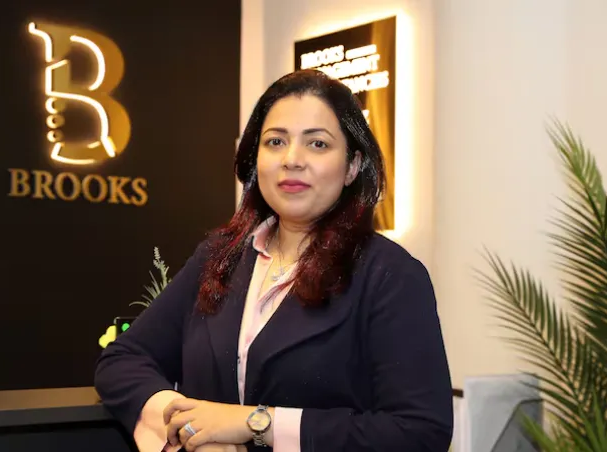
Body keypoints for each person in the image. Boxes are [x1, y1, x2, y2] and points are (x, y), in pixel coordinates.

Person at [94, 69, 453, 452]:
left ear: (352, 166)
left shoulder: (390, 275)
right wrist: (190, 427)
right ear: (256, 159)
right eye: (275, 141)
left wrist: (258, 423)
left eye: (317, 144)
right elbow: (123, 358)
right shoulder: (220, 256)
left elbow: (419, 430)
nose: (292, 159)